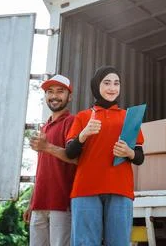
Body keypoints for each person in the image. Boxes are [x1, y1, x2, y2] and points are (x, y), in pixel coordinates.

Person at [65, 66, 145, 246]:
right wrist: (83, 135)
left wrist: (128, 152)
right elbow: (70, 153)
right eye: (107, 83)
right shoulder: (83, 117)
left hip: (120, 188)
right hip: (86, 189)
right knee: (85, 243)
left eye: (116, 83)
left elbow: (139, 157)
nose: (112, 88)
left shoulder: (128, 117)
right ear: (96, 85)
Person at [23, 74, 77, 246]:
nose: (54, 96)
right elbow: (41, 169)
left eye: (60, 91)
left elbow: (76, 158)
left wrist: (47, 147)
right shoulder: (44, 127)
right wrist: (32, 202)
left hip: (61, 202)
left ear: (70, 96)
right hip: (39, 203)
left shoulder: (72, 122)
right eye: (50, 91)